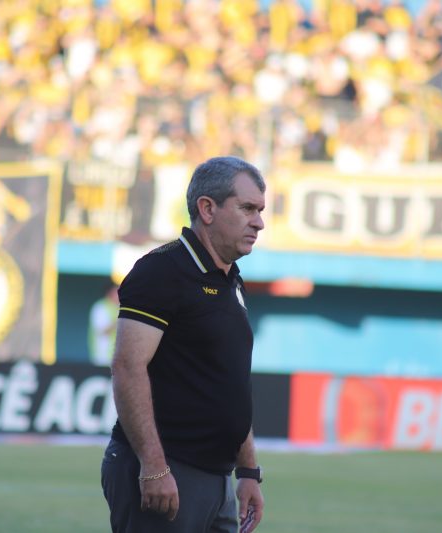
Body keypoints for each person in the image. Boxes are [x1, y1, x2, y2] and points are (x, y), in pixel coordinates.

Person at [101, 156, 266, 533]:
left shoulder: (231, 280)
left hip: (218, 478)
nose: (258, 222)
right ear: (207, 208)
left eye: (259, 210)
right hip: (168, 472)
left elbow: (229, 385)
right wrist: (154, 467)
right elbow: (128, 367)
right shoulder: (162, 271)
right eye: (247, 208)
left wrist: (249, 471)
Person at [88, 283, 119, 366]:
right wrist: (121, 319)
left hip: (118, 357)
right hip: (103, 356)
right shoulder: (100, 307)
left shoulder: (120, 307)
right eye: (117, 292)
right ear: (109, 293)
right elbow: (103, 330)